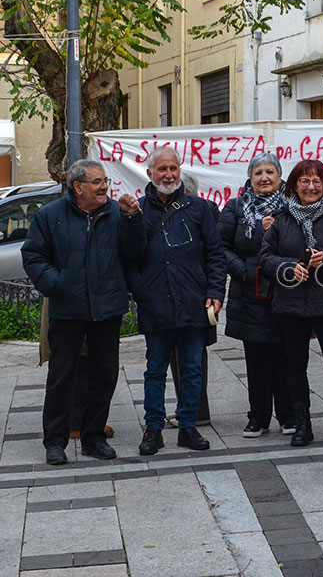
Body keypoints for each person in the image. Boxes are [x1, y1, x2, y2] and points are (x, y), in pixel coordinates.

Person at [21, 159, 144, 465]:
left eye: (106, 181)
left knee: (105, 375)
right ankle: (55, 441)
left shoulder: (117, 213)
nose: (105, 187)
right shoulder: (51, 216)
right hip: (67, 310)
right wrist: (57, 283)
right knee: (61, 376)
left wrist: (133, 220)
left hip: (107, 310)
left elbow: (136, 253)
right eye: (97, 182)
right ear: (78, 187)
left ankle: (93, 438)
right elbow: (33, 255)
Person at [128, 148, 227, 455]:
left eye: (173, 168)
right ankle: (153, 429)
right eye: (162, 169)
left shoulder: (199, 209)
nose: (168, 174)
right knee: (155, 369)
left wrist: (215, 292)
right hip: (155, 303)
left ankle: (187, 427)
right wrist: (141, 292)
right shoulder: (138, 211)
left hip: (193, 302)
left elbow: (215, 254)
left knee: (192, 368)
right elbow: (129, 258)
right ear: (150, 174)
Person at [258, 159, 323, 449]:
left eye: (317, 181)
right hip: (291, 303)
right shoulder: (281, 218)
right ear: (294, 186)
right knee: (295, 366)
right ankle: (303, 425)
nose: (311, 186)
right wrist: (289, 266)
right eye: (304, 181)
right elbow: (265, 257)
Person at [219, 153, 295, 437]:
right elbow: (221, 247)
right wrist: (242, 271)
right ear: (250, 178)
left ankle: (289, 416)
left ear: (279, 176)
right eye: (258, 173)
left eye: (270, 172)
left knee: (287, 357)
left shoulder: (294, 206)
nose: (264, 178)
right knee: (257, 359)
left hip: (286, 291)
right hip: (249, 293)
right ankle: (258, 417)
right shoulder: (236, 207)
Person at [166, 172, 215, 428]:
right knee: (188, 358)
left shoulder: (199, 214)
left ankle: (195, 411)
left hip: (194, 298)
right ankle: (194, 409)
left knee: (191, 359)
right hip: (187, 296)